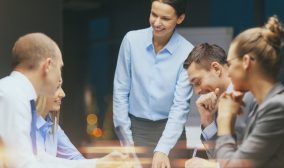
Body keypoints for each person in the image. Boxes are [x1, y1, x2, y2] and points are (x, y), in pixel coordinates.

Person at [0, 33, 129, 168]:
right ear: (48, 65)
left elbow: (40, 158)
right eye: (60, 68)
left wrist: (99, 163)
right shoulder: (13, 94)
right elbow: (23, 165)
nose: (60, 77)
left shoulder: (17, 93)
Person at [113, 0, 193, 167]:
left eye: (165, 18)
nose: (157, 23)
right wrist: (127, 144)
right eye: (154, 14)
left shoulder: (188, 52)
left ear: (180, 19)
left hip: (171, 132)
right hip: (135, 129)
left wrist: (163, 149)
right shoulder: (131, 41)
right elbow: (120, 92)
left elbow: (180, 105)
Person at [215, 16, 284, 167]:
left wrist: (224, 119)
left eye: (230, 64)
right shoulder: (267, 105)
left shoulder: (278, 108)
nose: (228, 74)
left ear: (246, 62)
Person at [182, 43, 255, 168]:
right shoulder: (218, 107)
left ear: (216, 68)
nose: (197, 91)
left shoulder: (252, 97)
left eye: (198, 82)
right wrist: (208, 121)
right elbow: (221, 157)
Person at [35, 78, 87, 159]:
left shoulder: (52, 124)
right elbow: (41, 162)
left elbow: (74, 157)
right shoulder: (26, 124)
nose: (63, 94)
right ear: (41, 90)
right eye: (57, 87)